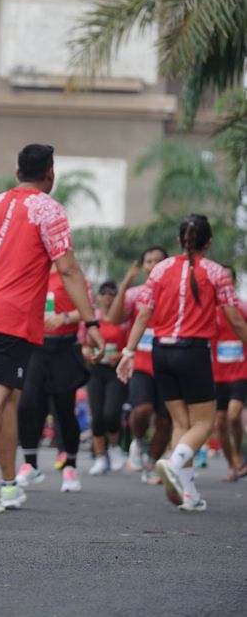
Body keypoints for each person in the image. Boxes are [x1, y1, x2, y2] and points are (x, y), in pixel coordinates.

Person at [0, 144, 105, 513]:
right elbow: (68, 269)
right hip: (11, 314)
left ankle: (9, 485)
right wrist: (91, 321)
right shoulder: (49, 210)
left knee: (7, 398)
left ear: (18, 171)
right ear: (50, 173)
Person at [117, 214, 247, 512]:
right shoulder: (216, 272)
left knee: (181, 423)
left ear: (179, 240)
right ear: (208, 242)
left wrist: (128, 351)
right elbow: (236, 320)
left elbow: (143, 314)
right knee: (204, 423)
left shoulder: (160, 269)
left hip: (161, 352)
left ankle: (189, 494)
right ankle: (174, 464)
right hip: (193, 352)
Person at [16, 264, 91, 493]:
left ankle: (70, 466)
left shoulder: (71, 274)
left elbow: (87, 309)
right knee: (27, 405)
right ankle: (30, 464)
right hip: (35, 347)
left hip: (64, 348)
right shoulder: (30, 272)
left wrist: (64, 317)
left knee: (64, 409)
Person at [109, 247, 171, 484]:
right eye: (149, 261)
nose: (153, 265)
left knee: (164, 420)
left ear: (167, 264)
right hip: (141, 364)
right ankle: (139, 440)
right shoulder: (136, 294)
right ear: (144, 266)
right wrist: (125, 284)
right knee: (142, 409)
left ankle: (153, 464)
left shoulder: (176, 292)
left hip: (169, 363)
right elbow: (114, 318)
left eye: (158, 261)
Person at [85, 280, 128, 476]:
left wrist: (119, 355)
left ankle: (114, 447)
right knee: (97, 415)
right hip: (96, 369)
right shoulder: (92, 318)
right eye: (104, 292)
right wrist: (87, 352)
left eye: (112, 293)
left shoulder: (124, 318)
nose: (108, 296)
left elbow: (131, 345)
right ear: (99, 296)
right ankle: (100, 457)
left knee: (111, 413)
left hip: (115, 370)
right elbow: (83, 343)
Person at [211, 265, 247, 481]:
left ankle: (238, 454)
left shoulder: (241, 307)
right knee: (220, 422)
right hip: (218, 375)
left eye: (227, 278)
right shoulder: (211, 309)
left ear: (233, 282)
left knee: (234, 415)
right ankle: (231, 463)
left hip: (241, 372)